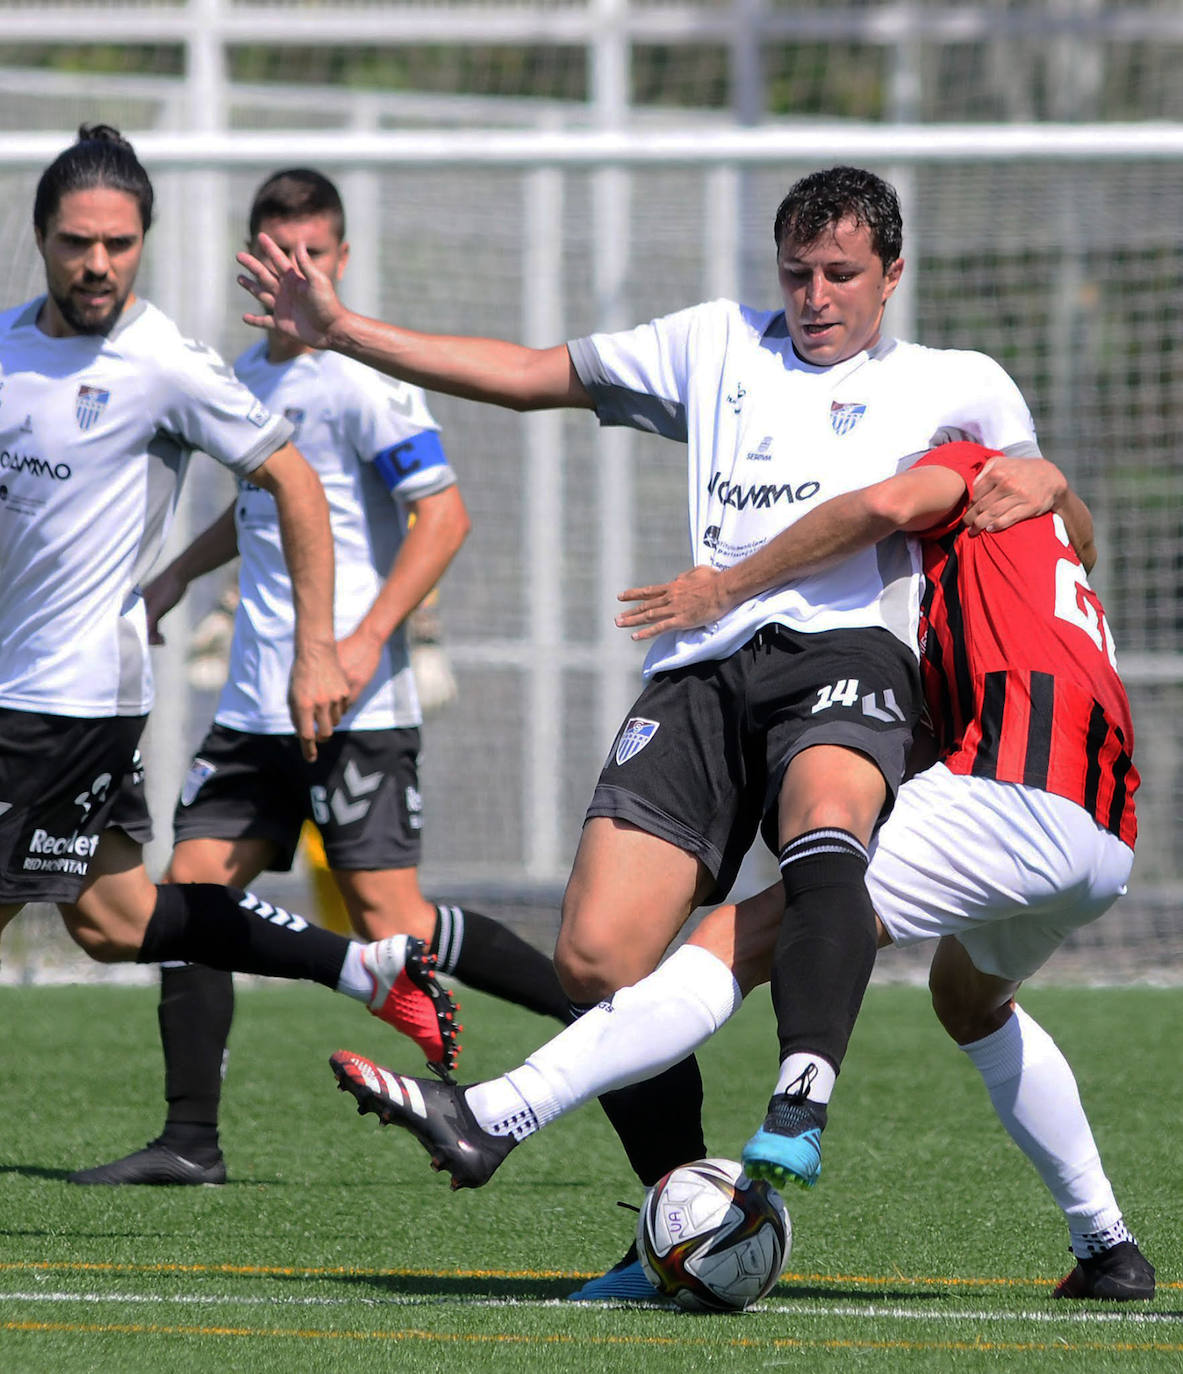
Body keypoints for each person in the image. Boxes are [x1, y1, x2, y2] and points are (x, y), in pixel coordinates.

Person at [236, 163, 1050, 1293]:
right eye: (796, 272)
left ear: (892, 276)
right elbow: (527, 375)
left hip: (850, 659)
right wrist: (339, 328)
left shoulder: (958, 382)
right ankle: (681, 1222)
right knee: (594, 958)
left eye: (841, 275)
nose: (814, 296)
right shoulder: (712, 343)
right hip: (702, 676)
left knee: (826, 823)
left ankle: (801, 1096)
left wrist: (1051, 486)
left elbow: (1056, 534)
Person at [327, 439, 1154, 1303]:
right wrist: (1055, 477)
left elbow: (879, 508)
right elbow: (1081, 539)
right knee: (972, 1002)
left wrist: (729, 582)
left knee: (744, 931)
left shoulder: (955, 466)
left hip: (1014, 787)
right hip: (1105, 827)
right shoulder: (1040, 523)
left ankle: (495, 1113)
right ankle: (1106, 1246)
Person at [67, 167, 575, 1187]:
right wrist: (174, 576)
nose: (294, 272)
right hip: (253, 708)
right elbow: (258, 509)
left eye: (314, 255)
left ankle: (600, 1016)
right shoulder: (242, 375)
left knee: (397, 924)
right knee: (194, 896)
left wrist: (356, 643)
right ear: (255, 262)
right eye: (277, 254)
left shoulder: (365, 381)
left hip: (357, 704)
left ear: (339, 261)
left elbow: (446, 517)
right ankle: (191, 1142)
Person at [0, 126, 462, 1126]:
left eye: (120, 245)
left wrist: (319, 648)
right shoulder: (5, 348)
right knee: (120, 923)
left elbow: (290, 482)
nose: (98, 265)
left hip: (63, 700)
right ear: (40, 236)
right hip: (21, 688)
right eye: (78, 242)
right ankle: (358, 968)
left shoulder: (164, 360)